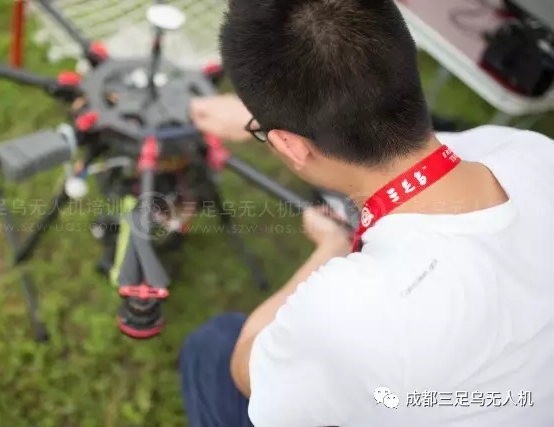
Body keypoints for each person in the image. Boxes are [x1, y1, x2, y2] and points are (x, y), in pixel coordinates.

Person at [179, 0, 554, 426]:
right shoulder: (530, 150)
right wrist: (270, 122)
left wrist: (331, 249)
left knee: (214, 346)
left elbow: (246, 371)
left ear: (288, 146)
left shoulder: (353, 310)